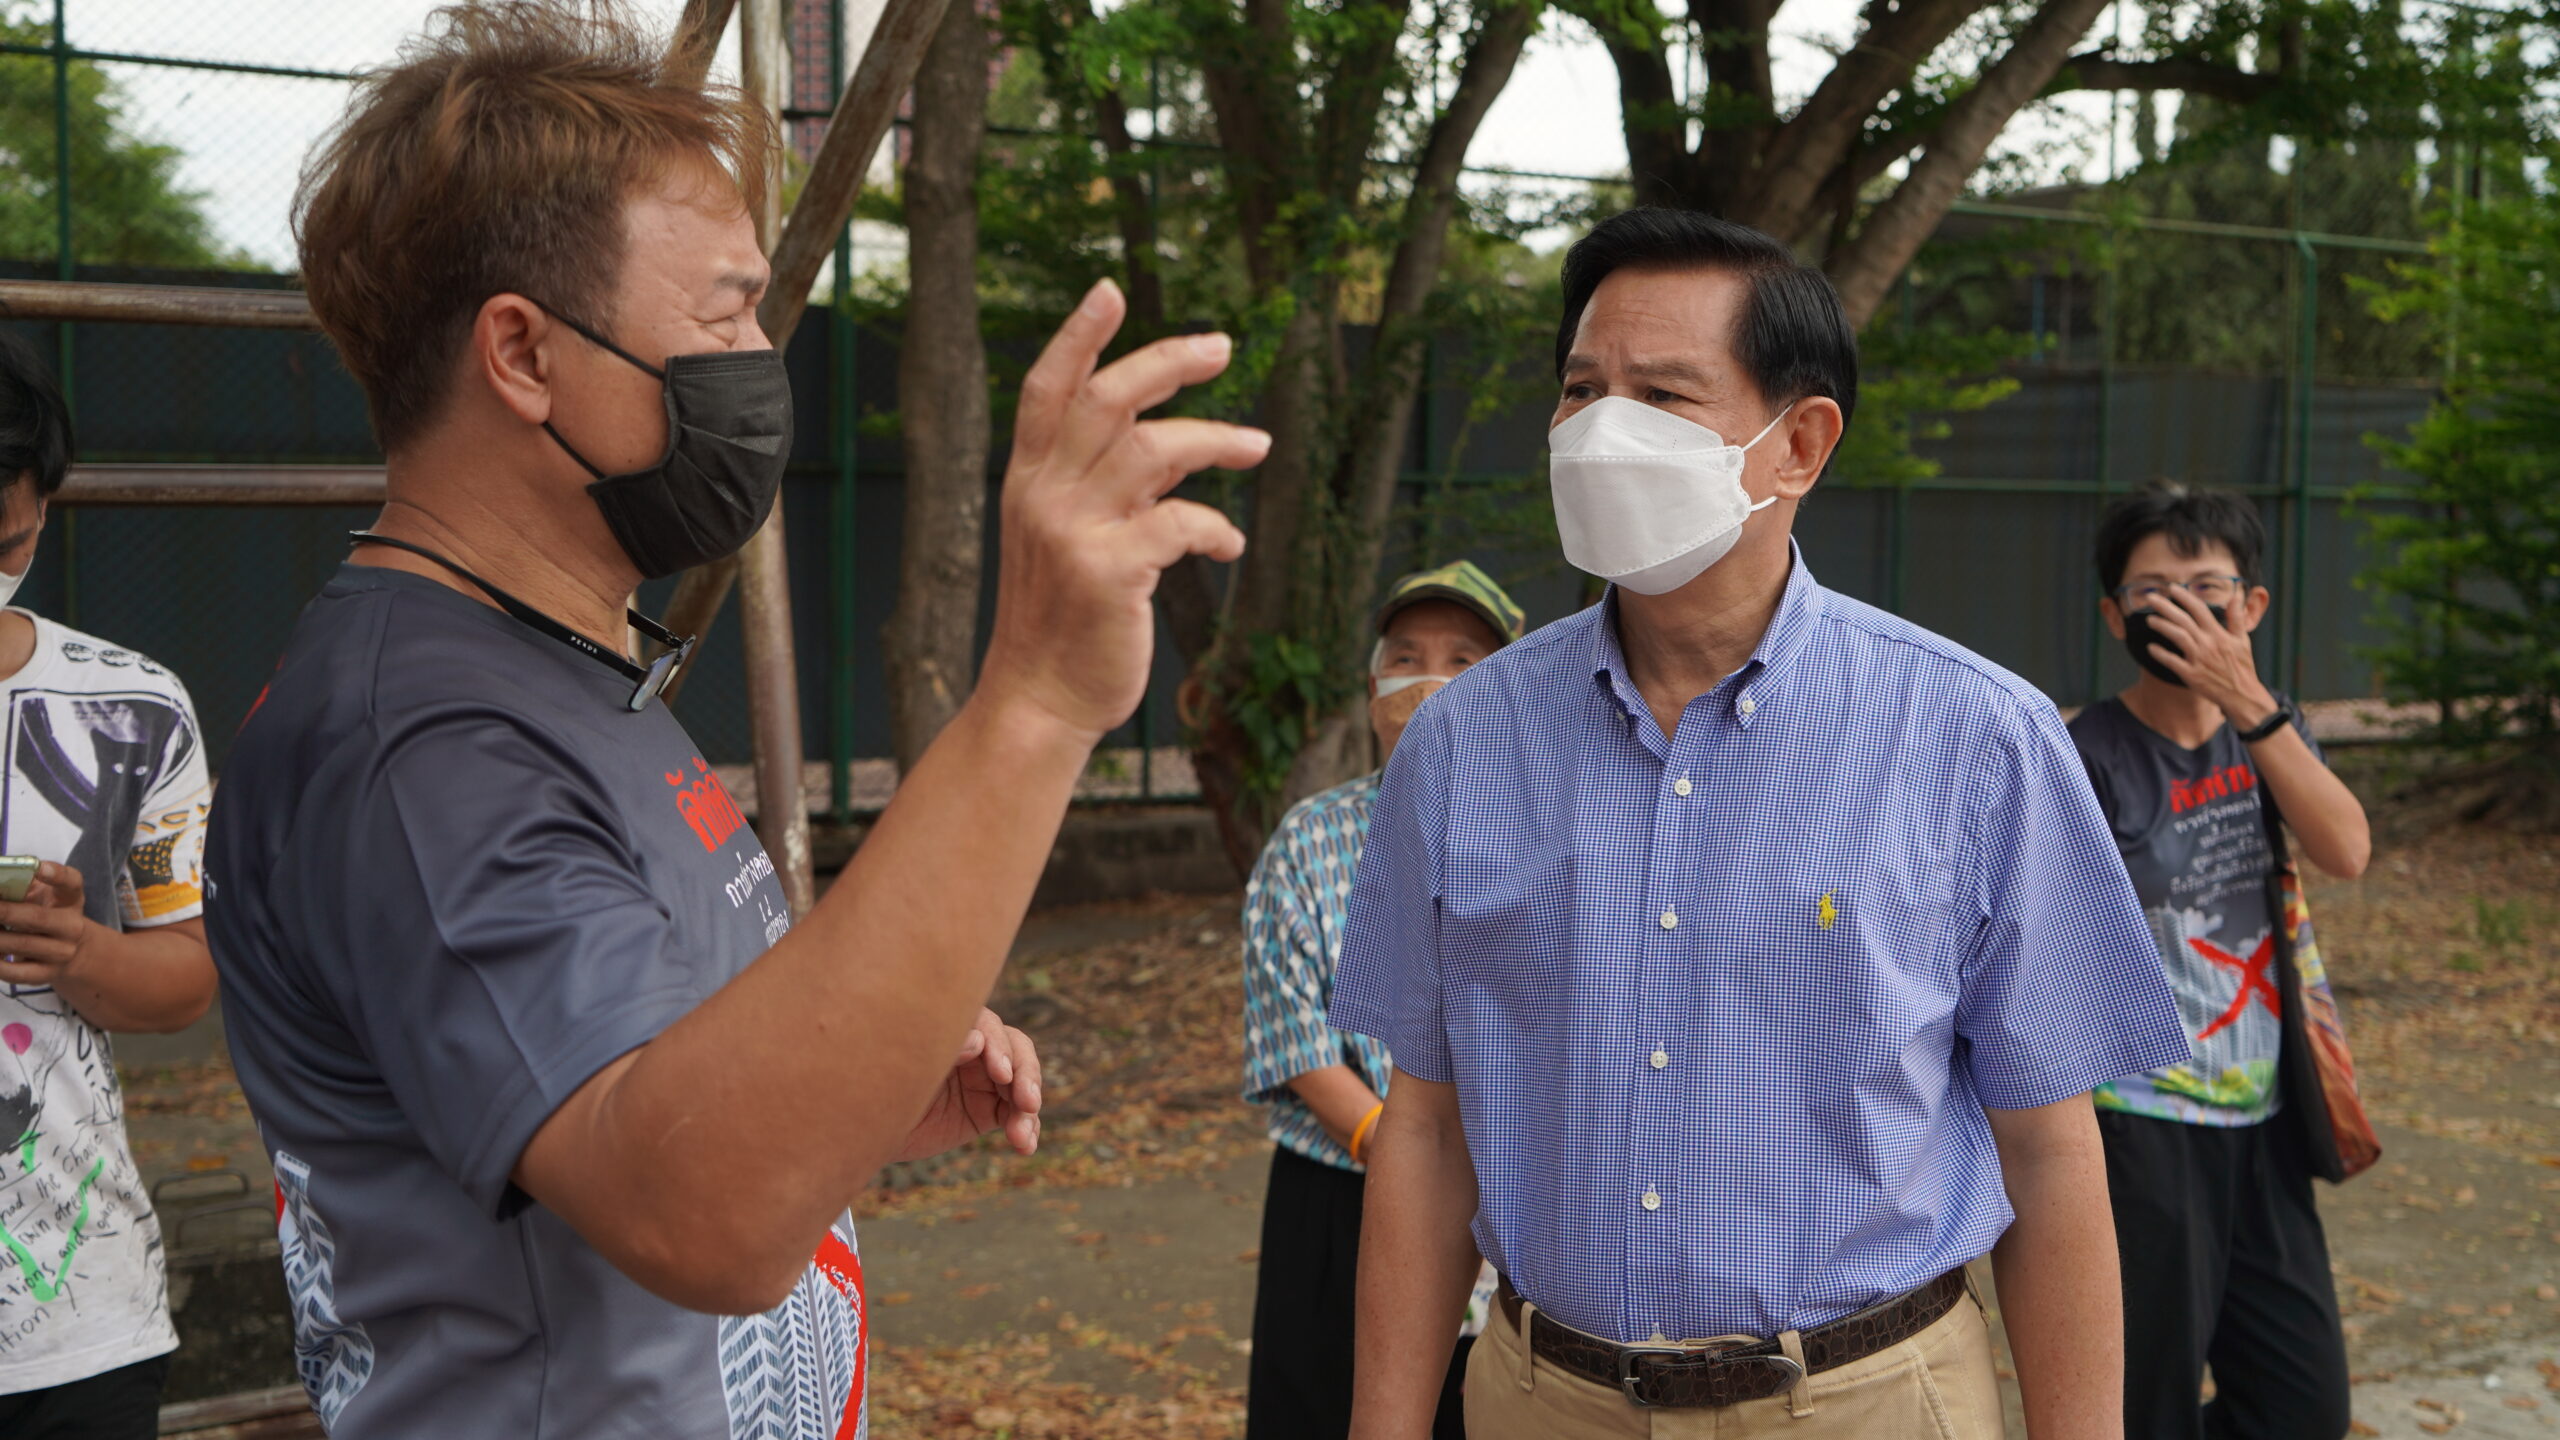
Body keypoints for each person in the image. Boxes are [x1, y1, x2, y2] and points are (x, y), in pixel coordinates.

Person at [200, 5, 1261, 1437]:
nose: (763, 359)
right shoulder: (424, 746)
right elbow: (698, 1214)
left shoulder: (559, 665)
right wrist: (1036, 699)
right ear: (522, 354)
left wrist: (851, 1082)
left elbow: (652, 1087)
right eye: (724, 316)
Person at [1329, 207, 2194, 1440]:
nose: (1599, 430)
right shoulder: (1461, 741)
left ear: (1798, 443)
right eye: (1580, 389)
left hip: (1866, 1401)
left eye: (1660, 394)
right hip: (1540, 1398)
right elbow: (1423, 1129)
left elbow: (2050, 1153)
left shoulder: (1974, 737)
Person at [2072, 482, 2368, 1440]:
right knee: (2146, 1406)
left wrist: (2248, 702)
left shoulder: (2272, 733)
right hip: (2141, 1128)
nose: (2183, 612)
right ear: (2115, 615)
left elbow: (2346, 850)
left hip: (2267, 1122)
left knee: (2302, 1405)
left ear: (2252, 607)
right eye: (2154, 592)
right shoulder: (2087, 756)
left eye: (2207, 589)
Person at [1241, 559, 1523, 1440]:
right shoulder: (1310, 839)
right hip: (1338, 1199)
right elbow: (1293, 1032)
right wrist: (1396, 1151)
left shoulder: (1550, 836)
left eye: (1463, 660)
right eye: (1405, 657)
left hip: (1518, 1197)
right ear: (1373, 690)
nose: (1428, 681)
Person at [0, 331, 219, 1439]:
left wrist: (82, 955)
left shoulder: (132, 712)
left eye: (4, 542)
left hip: (74, 1321)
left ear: (41, 512)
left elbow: (186, 980)